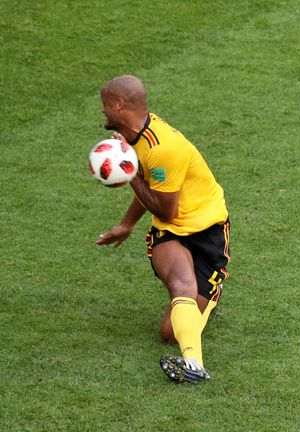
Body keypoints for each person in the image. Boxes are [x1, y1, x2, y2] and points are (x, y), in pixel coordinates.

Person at [96, 75, 231, 384]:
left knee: (170, 333)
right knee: (181, 289)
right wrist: (126, 224)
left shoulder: (163, 148)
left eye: (105, 104)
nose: (102, 111)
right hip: (170, 231)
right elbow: (160, 202)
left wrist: (128, 172)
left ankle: (210, 294)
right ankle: (194, 368)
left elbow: (163, 205)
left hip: (207, 230)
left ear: (120, 105)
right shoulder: (131, 138)